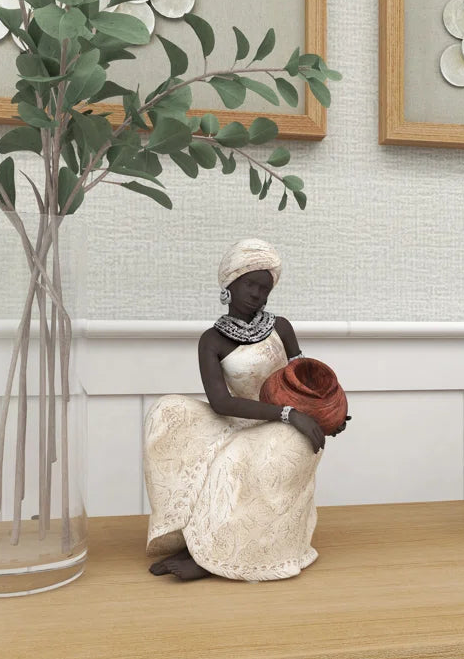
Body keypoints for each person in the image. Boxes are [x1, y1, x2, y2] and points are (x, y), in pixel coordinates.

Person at [143, 238, 348, 582]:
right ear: (230, 283)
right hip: (238, 418)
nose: (257, 294)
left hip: (284, 429)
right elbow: (221, 402)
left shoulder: (281, 328)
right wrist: (286, 412)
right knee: (167, 411)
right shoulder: (212, 340)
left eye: (264, 288)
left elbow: (306, 376)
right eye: (250, 284)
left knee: (241, 459)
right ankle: (192, 541)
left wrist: (328, 412)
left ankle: (214, 557)